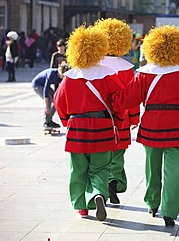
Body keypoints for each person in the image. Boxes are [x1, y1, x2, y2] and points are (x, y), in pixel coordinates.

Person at [110, 25, 179, 227]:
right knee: (175, 171)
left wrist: (109, 98)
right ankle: (170, 212)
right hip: (178, 127)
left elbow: (127, 99)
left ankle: (152, 203)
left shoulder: (144, 74)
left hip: (151, 125)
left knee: (152, 168)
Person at [54, 25, 124, 221]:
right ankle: (98, 194)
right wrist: (118, 122)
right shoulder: (109, 74)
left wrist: (66, 121)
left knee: (78, 169)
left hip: (77, 127)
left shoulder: (69, 77)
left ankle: (81, 207)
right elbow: (120, 101)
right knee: (100, 167)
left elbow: (58, 102)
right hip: (102, 126)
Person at [94, 18, 140, 204]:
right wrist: (135, 117)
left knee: (101, 154)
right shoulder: (127, 68)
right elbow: (133, 96)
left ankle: (101, 187)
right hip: (122, 117)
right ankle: (114, 183)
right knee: (118, 152)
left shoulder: (95, 66)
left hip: (100, 117)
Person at [32, 58, 69, 129]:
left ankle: (49, 120)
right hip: (37, 85)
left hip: (44, 86)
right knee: (48, 100)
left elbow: (57, 91)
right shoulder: (51, 74)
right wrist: (46, 106)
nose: (62, 77)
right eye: (62, 75)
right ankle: (46, 122)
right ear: (59, 71)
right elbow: (45, 90)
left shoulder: (60, 78)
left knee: (57, 102)